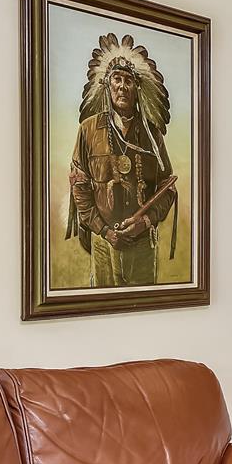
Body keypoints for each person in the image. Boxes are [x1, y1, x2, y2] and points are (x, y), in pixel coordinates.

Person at [67, 33, 177, 286]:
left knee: (144, 310)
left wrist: (146, 222)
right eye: (116, 79)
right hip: (104, 243)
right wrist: (104, 231)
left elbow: (167, 188)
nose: (122, 86)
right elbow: (79, 187)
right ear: (107, 85)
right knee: (102, 311)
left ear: (137, 90)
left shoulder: (151, 133)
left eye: (128, 80)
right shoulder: (88, 129)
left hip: (142, 245)